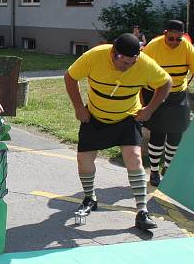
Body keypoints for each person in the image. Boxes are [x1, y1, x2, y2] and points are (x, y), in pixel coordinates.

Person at [64, 33, 172, 230]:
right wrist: (79, 107)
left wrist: (149, 110)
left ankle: (142, 211)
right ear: (114, 54)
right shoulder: (94, 56)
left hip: (127, 118)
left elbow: (166, 83)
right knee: (84, 160)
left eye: (132, 62)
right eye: (124, 63)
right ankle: (90, 198)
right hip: (95, 117)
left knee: (135, 159)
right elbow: (70, 77)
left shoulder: (144, 64)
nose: (128, 66)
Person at [141, 20, 194, 186]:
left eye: (178, 39)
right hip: (155, 94)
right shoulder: (152, 47)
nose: (175, 42)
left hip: (177, 94)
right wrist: (140, 102)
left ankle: (168, 168)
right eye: (171, 39)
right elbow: (138, 72)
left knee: (177, 133)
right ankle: (154, 171)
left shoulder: (187, 47)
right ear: (165, 33)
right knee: (158, 133)